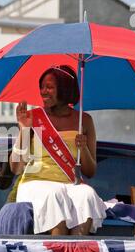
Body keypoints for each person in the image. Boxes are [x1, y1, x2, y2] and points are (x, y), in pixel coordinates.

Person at [9, 65, 106, 236]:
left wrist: (83, 149)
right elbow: (15, 168)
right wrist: (24, 129)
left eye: (50, 87)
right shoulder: (32, 117)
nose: (43, 92)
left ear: (65, 90)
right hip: (36, 184)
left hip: (70, 184)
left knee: (87, 194)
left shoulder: (85, 120)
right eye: (42, 87)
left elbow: (90, 172)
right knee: (55, 193)